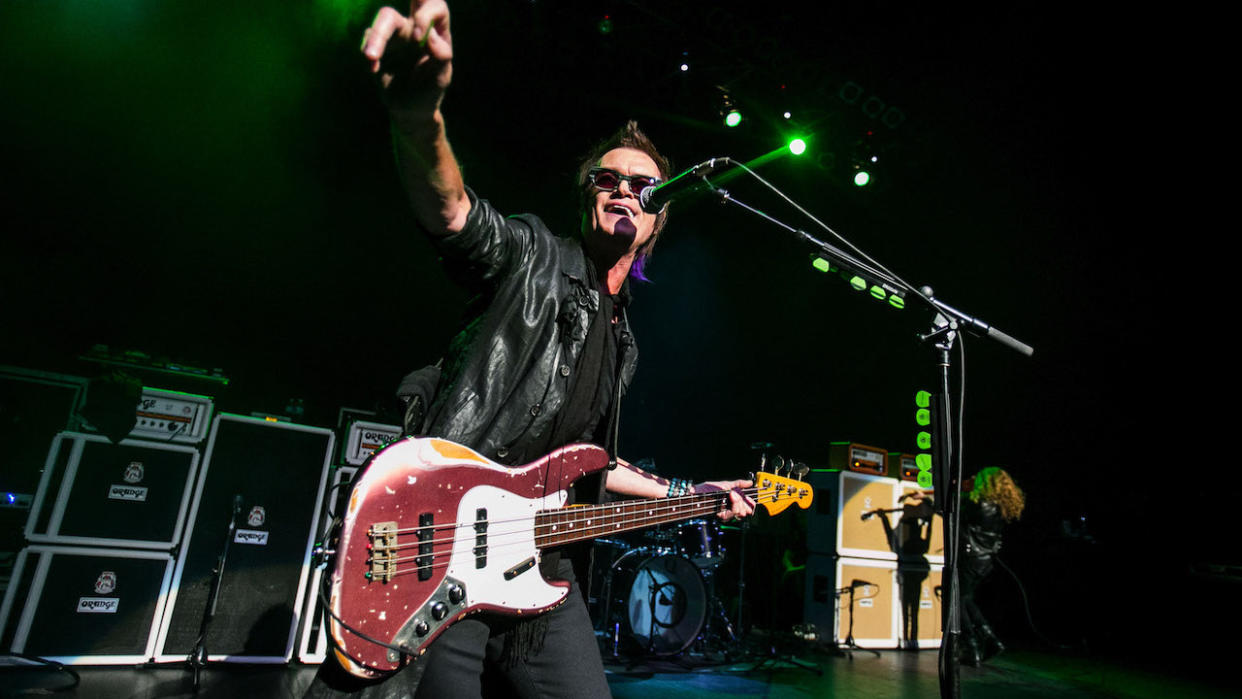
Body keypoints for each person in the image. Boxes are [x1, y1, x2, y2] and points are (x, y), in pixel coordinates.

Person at [306, 2, 756, 697]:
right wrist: (417, 117)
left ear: (657, 218)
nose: (625, 191)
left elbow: (591, 465)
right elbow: (455, 215)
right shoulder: (533, 257)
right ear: (588, 199)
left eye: (643, 186)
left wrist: (688, 493)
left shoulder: (623, 340)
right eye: (608, 179)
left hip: (544, 569)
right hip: (448, 545)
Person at [958, 467, 1025, 665]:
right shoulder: (1000, 506)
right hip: (986, 560)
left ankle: (972, 647)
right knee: (965, 598)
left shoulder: (977, 502)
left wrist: (926, 498)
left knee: (956, 600)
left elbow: (951, 510)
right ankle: (990, 639)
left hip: (971, 557)